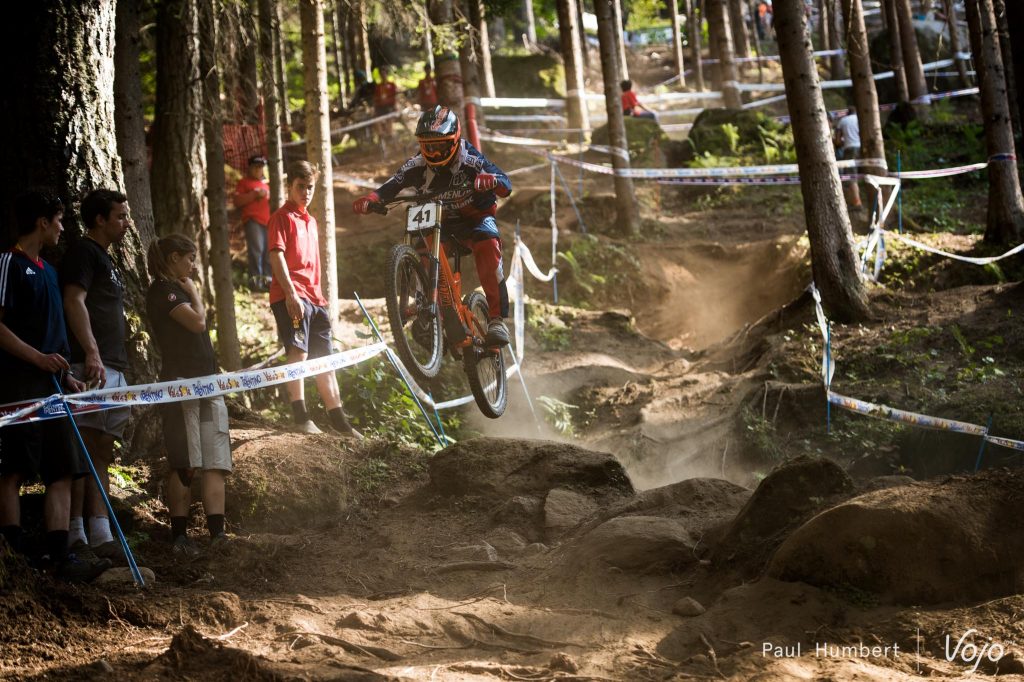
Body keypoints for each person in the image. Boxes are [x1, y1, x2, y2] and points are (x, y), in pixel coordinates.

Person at [0, 189, 111, 581]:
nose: (63, 228)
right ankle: (13, 554)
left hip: (54, 387)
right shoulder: (8, 263)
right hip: (17, 385)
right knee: (13, 469)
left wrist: (66, 375)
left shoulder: (50, 270)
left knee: (63, 469)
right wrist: (37, 359)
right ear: (42, 222)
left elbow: (54, 336)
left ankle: (60, 555)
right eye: (59, 220)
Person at [352, 106, 513, 348]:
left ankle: (497, 319)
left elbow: (506, 185)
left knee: (488, 243)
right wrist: (372, 199)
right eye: (428, 146)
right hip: (441, 223)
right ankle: (430, 312)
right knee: (422, 252)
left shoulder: (470, 159)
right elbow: (392, 185)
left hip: (475, 220)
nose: (434, 152)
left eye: (440, 146)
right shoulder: (417, 164)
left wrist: (491, 180)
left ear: (454, 141)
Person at [146, 234, 232, 559]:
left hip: (208, 382)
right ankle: (180, 536)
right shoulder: (163, 291)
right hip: (181, 385)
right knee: (185, 462)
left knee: (215, 461)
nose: (193, 265)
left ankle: (218, 533)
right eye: (189, 258)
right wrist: (195, 292)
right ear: (173, 258)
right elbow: (197, 323)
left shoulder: (177, 288)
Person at [61, 188, 132, 566]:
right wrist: (91, 353)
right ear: (100, 219)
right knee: (82, 446)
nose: (126, 223)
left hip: (114, 366)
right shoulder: (83, 252)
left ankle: (101, 531)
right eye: (120, 216)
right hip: (90, 366)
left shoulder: (108, 257)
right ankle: (75, 533)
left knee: (102, 448)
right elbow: (74, 300)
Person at [268, 161, 362, 437]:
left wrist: (318, 298)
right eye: (301, 187)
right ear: (289, 186)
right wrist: (290, 293)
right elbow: (276, 255)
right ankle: (301, 417)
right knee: (298, 352)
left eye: (310, 187)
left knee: (325, 359)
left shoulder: (311, 221)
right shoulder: (281, 217)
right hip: (292, 295)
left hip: (316, 299)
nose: (306, 192)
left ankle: (340, 423)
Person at [233, 156, 272, 292]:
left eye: (261, 167)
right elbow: (237, 201)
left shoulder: (266, 185)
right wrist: (254, 195)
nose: (258, 170)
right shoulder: (244, 183)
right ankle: (256, 284)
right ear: (249, 168)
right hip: (253, 221)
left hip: (268, 223)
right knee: (257, 252)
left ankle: (268, 283)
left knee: (268, 253)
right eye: (256, 167)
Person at [834, 104, 863, 210]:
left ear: (847, 113)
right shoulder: (860, 119)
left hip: (850, 149)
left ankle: (857, 203)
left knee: (851, 177)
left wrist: (843, 141)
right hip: (863, 148)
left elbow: (837, 141)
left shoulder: (843, 121)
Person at [373, 65, 399, 146]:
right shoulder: (378, 86)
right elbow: (376, 99)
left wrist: (396, 106)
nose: (383, 75)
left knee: (389, 119)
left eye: (384, 73)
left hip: (390, 107)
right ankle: (381, 136)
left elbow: (396, 97)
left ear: (387, 74)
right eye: (381, 74)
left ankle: (390, 135)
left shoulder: (392, 85)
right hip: (380, 108)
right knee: (376, 120)